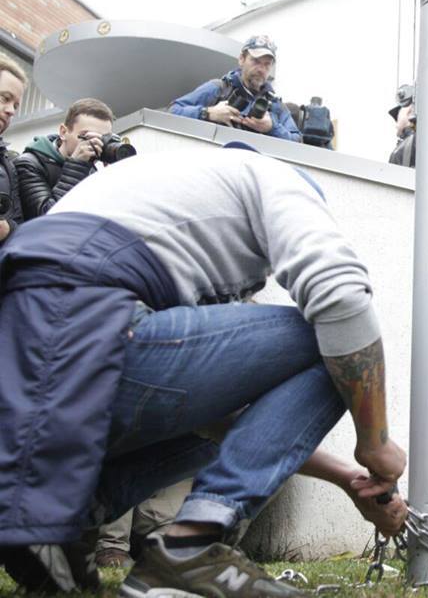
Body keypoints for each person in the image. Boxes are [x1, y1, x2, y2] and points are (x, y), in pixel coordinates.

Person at [0, 144, 406, 596]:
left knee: (200, 442)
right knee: (329, 342)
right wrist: (375, 443)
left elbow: (206, 412)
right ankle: (193, 544)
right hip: (88, 322)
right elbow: (343, 299)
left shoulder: (152, 197)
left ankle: (62, 521)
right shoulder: (274, 178)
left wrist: (346, 477)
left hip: (26, 375)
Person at [169, 35, 302, 142]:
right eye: (255, 61)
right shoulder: (219, 88)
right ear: (241, 59)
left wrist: (272, 128)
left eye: (267, 64)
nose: (261, 69)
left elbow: (297, 142)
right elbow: (173, 111)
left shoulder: (275, 106)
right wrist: (208, 113)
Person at [15, 98, 115, 220]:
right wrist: (76, 166)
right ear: (63, 132)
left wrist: (113, 175)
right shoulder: (29, 164)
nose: (95, 144)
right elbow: (46, 218)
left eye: (102, 139)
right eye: (87, 136)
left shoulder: (92, 169)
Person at [0, 55, 26, 247]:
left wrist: (6, 229)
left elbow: (19, 225)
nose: (11, 111)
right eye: (4, 98)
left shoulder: (8, 165)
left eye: (16, 105)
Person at [388, 83, 416, 168]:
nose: (396, 124)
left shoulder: (414, 141)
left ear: (410, 110)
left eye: (397, 116)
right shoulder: (408, 143)